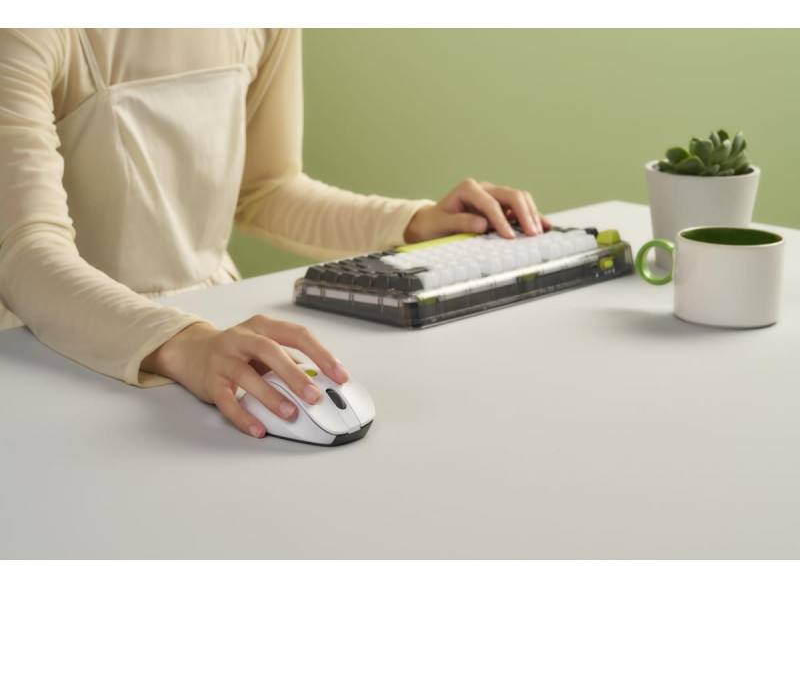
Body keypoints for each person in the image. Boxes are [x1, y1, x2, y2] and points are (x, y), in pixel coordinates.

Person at [0, 28, 551, 438]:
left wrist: (413, 222)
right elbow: (26, 252)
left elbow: (265, 188)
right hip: (53, 347)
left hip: (219, 336)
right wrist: (182, 343)